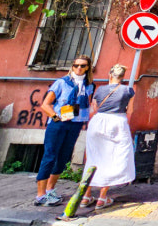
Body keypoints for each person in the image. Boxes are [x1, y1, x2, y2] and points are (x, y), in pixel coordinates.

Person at [35, 56, 94, 206]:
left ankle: (50, 189)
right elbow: (45, 104)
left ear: (88, 67)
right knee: (50, 156)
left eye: (82, 65)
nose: (79, 68)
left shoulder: (89, 86)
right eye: (76, 65)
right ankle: (40, 195)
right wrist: (56, 118)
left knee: (63, 157)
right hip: (58, 124)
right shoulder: (62, 82)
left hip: (75, 124)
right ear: (72, 67)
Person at [81, 64, 136, 210]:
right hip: (117, 121)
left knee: (92, 157)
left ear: (110, 75)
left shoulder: (100, 89)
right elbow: (130, 110)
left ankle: (86, 196)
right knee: (113, 159)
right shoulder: (128, 90)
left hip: (98, 121)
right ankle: (102, 197)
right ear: (123, 77)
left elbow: (95, 108)